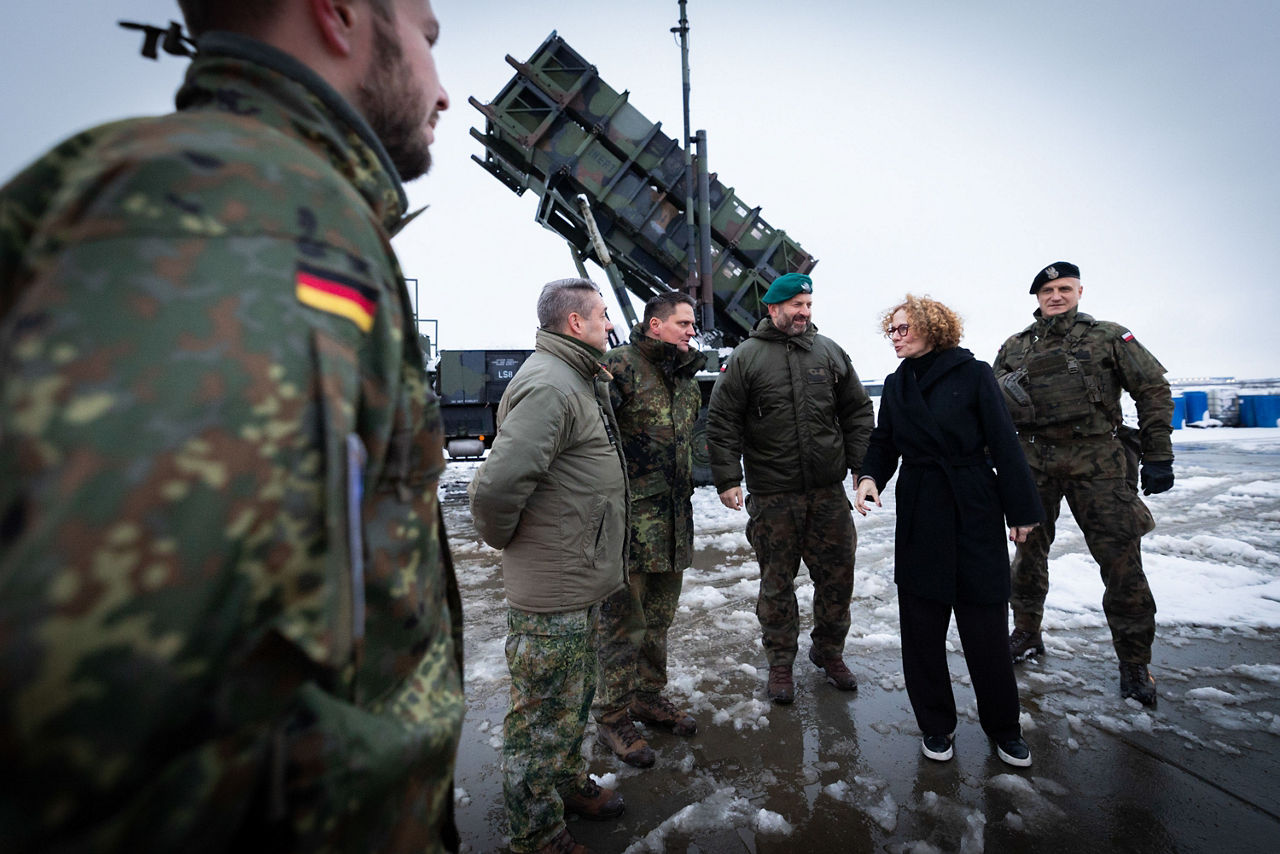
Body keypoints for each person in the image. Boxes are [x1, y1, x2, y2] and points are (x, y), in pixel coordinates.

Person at [0, 2, 463, 851]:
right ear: (339, 14)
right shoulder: (256, 215)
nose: (443, 92)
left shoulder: (191, 185)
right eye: (429, 43)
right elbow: (84, 697)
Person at [468, 278, 629, 854]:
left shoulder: (576, 379)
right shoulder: (550, 386)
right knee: (539, 717)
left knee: (572, 699)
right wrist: (514, 546)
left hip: (576, 577)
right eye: (603, 316)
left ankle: (564, 785)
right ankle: (535, 833)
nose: (611, 325)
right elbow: (496, 490)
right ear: (575, 324)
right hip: (552, 585)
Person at [855, 295, 1042, 766]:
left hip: (973, 502)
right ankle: (936, 726)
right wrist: (869, 478)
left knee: (985, 630)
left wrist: (1021, 510)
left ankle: (1005, 728)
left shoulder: (974, 372)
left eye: (903, 328)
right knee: (921, 630)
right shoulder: (897, 385)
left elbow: (1003, 441)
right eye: (891, 330)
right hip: (921, 509)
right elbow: (884, 442)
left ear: (932, 328)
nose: (895, 336)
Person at [994, 261, 1174, 707]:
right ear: (1036, 296)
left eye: (1064, 288)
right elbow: (993, 407)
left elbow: (1152, 389)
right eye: (1048, 290)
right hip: (1034, 460)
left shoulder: (1109, 337)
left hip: (1098, 459)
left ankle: (1134, 663)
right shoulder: (1015, 346)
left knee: (1120, 561)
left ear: (1079, 291)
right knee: (1028, 554)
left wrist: (1158, 453)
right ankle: (1027, 633)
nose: (1056, 296)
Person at [706, 272, 875, 704]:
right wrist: (728, 478)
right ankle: (780, 663)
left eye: (809, 305)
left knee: (838, 578)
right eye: (796, 305)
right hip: (773, 495)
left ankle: (828, 651)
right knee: (777, 584)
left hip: (827, 494)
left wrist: (862, 469)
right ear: (773, 308)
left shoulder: (830, 352)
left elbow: (857, 411)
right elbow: (723, 421)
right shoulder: (747, 357)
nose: (804, 312)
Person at [594, 292, 704, 768]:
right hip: (629, 526)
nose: (691, 331)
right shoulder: (618, 367)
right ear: (655, 325)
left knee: (658, 620)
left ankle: (647, 695)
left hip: (674, 523)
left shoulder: (685, 378)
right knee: (622, 625)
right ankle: (611, 715)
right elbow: (591, 438)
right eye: (683, 323)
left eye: (692, 324)